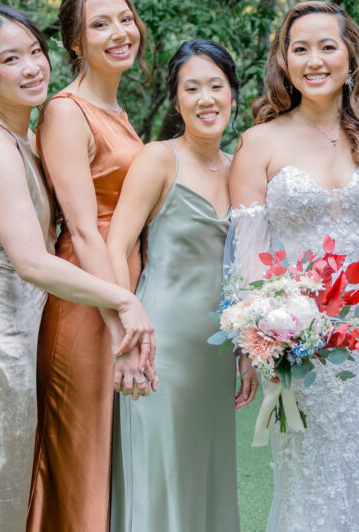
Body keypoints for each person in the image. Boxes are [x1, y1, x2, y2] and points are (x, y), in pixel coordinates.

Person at [0, 4, 153, 532]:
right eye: (11, 59)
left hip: (20, 329)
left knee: (12, 488)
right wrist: (121, 298)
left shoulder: (23, 137)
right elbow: (31, 260)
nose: (32, 67)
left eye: (35, 52)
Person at [228, 0, 359, 532]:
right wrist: (254, 340)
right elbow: (247, 253)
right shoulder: (259, 142)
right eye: (299, 48)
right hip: (298, 334)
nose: (314, 59)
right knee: (308, 466)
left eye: (327, 46)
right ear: (283, 60)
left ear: (351, 55)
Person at [106, 39, 259, 531]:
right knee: (162, 472)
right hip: (160, 342)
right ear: (176, 101)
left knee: (206, 472)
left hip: (216, 350)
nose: (205, 98)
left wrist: (247, 348)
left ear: (233, 94)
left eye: (216, 86)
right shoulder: (158, 159)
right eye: (191, 88)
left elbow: (244, 266)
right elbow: (115, 248)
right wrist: (126, 330)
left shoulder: (241, 169)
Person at [28, 0, 149, 531]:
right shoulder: (66, 112)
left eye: (125, 19)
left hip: (121, 302)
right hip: (87, 304)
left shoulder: (117, 109)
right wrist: (120, 317)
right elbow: (81, 228)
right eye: (101, 24)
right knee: (80, 460)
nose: (120, 32)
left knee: (112, 459)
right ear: (75, 42)